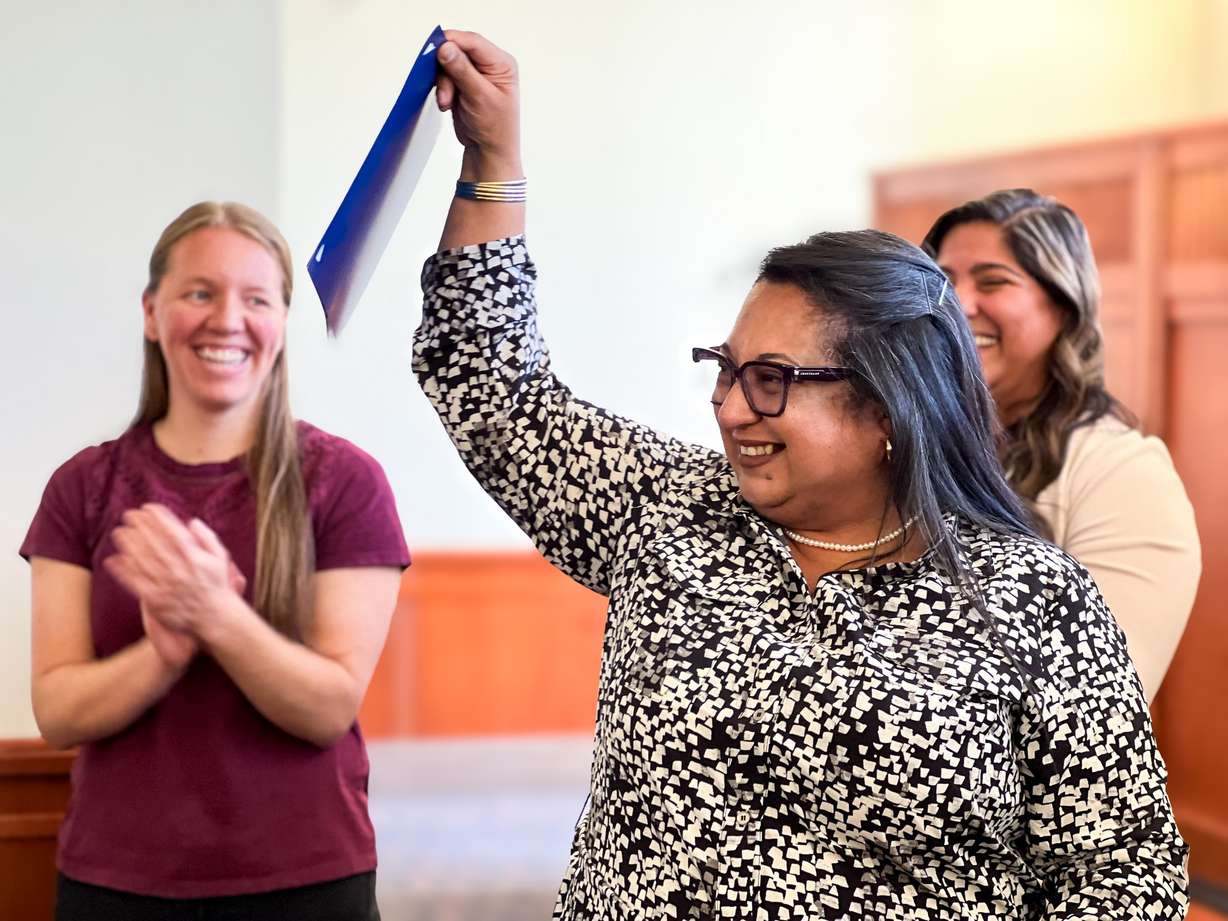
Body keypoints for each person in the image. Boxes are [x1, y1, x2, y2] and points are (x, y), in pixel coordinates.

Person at [417, 31, 1187, 919]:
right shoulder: (673, 509)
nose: (729, 406)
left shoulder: (1031, 598)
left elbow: (1118, 874)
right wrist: (494, 162)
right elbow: (489, 384)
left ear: (890, 409)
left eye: (772, 379)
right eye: (726, 365)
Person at [22, 201, 409, 920]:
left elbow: (328, 706)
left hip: (306, 881)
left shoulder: (346, 481)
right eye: (199, 292)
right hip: (115, 883)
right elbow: (58, 710)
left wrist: (217, 616)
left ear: (280, 321)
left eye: (256, 298)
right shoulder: (81, 487)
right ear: (151, 312)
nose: (227, 319)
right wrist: (162, 655)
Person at [923, 191, 1200, 703]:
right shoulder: (908, 448)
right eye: (942, 281)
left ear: (1064, 307)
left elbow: (1101, 702)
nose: (957, 304)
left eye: (993, 282)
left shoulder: (1122, 473)